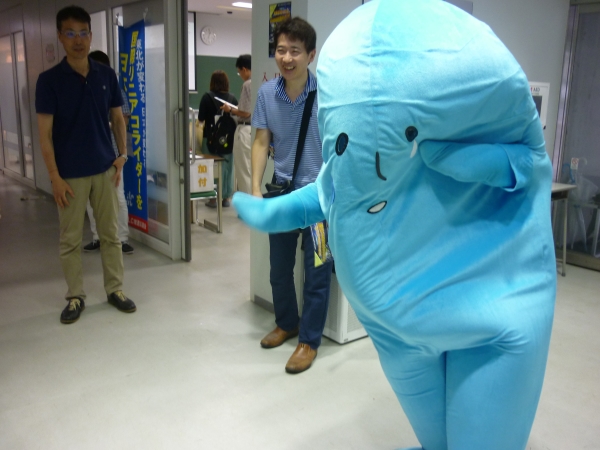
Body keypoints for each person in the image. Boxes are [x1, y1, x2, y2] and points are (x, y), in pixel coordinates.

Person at [36, 5, 136, 324]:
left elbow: (117, 118)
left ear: (90, 36)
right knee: (71, 241)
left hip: (105, 170)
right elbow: (45, 134)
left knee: (110, 235)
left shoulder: (105, 74)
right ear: (60, 37)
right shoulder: (49, 80)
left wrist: (122, 155)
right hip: (69, 177)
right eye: (70, 33)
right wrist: (54, 177)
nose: (78, 40)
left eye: (83, 33)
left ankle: (115, 289)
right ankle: (75, 296)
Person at [250, 17, 333, 374]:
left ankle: (308, 340)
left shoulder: (328, 95)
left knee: (317, 271)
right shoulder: (267, 94)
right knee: (279, 270)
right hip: (283, 195)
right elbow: (260, 141)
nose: (286, 57)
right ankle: (287, 323)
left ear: (310, 55)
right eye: (281, 50)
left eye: (295, 51)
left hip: (318, 201)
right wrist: (254, 186)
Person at [83, 50, 134, 255]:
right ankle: (97, 237)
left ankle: (121, 238)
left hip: (111, 153)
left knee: (117, 197)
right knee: (90, 199)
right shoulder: (83, 89)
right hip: (86, 153)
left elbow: (124, 120)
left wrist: (122, 154)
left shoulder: (114, 88)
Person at [197, 70, 238, 207]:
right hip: (228, 140)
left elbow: (200, 119)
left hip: (209, 138)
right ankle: (226, 198)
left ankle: (212, 198)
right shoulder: (232, 99)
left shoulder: (206, 98)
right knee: (227, 168)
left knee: (209, 167)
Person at [221, 54, 252, 194]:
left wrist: (231, 110)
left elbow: (246, 112)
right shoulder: (264, 80)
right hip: (258, 131)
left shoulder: (247, 84)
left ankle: (249, 208)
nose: (239, 75)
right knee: (253, 170)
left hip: (245, 129)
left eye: (239, 72)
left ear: (244, 69)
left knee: (244, 171)